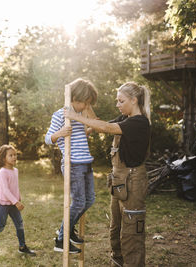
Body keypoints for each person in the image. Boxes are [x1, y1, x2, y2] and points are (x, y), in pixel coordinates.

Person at [64, 82, 151, 267]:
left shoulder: (139, 122)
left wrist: (74, 117)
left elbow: (106, 128)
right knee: (116, 228)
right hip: (119, 181)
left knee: (131, 232)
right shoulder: (125, 118)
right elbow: (99, 124)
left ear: (134, 100)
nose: (117, 105)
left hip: (133, 182)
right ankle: (117, 263)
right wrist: (86, 105)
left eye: (121, 101)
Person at [45, 78, 98, 254]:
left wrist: (87, 110)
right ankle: (61, 239)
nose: (86, 106)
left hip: (85, 162)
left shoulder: (79, 115)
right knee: (79, 201)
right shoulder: (60, 115)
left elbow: (93, 122)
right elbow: (48, 138)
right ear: (75, 98)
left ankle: (67, 230)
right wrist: (60, 133)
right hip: (73, 164)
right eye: (85, 102)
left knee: (90, 199)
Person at [0, 144, 36, 258]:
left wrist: (18, 197)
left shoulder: (15, 170)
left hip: (13, 203)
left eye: (15, 155)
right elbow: (5, 190)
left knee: (19, 224)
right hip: (3, 204)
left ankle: (22, 247)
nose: (14, 157)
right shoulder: (3, 172)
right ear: (3, 158)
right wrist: (16, 202)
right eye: (10, 155)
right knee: (0, 226)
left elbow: (14, 186)